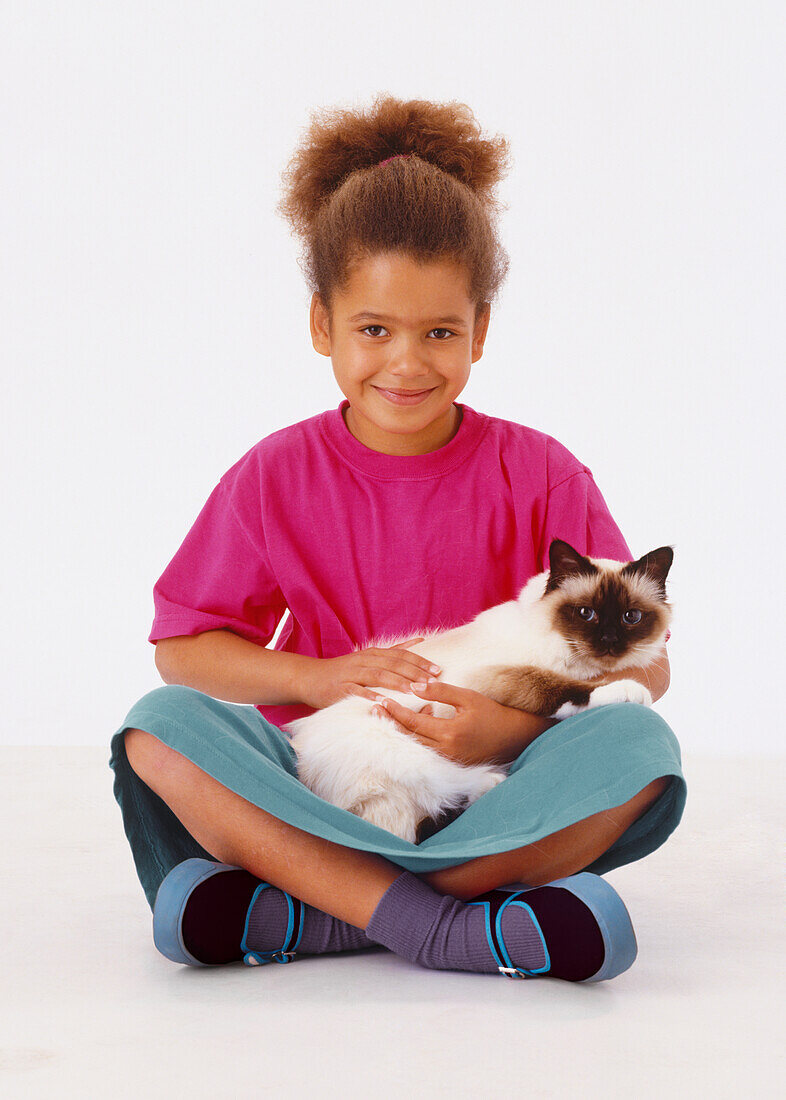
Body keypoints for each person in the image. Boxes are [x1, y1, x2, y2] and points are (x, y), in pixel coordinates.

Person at [109, 93, 686, 983]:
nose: (407, 363)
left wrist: (504, 730)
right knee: (157, 730)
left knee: (642, 747)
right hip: (323, 785)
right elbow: (184, 652)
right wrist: (315, 678)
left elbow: (643, 662)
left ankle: (318, 910)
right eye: (374, 330)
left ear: (480, 333)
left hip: (496, 794)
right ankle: (456, 925)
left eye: (440, 332)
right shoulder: (275, 474)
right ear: (322, 327)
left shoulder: (542, 472)